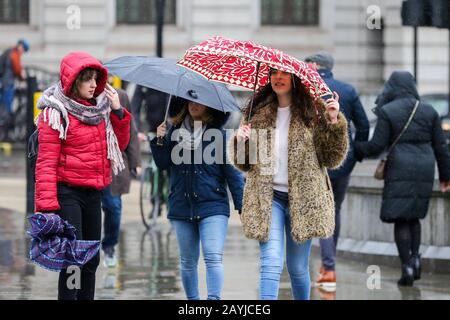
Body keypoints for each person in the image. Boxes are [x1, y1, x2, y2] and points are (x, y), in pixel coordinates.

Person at [230, 68, 349, 300]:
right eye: (274, 74)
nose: (279, 78)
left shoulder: (314, 112)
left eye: (284, 74)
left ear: (295, 80)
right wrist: (241, 141)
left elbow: (332, 159)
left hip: (303, 200)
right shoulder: (257, 113)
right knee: (271, 261)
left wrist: (333, 121)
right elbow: (244, 164)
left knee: (297, 268)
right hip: (268, 197)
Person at [34, 51, 131, 300]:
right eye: (86, 79)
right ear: (72, 81)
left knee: (91, 259)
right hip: (68, 194)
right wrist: (46, 207)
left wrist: (118, 112)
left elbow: (118, 144)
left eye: (94, 78)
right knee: (73, 259)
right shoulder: (55, 112)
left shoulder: (100, 110)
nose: (92, 84)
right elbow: (46, 162)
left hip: (93, 193)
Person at [354, 71, 450, 286]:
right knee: (414, 216)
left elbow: (376, 146)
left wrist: (356, 149)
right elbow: (441, 147)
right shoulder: (429, 111)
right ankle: (415, 259)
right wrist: (446, 176)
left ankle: (406, 264)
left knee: (400, 218)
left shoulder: (388, 111)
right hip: (425, 167)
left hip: (399, 167)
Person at [151, 98, 244, 300]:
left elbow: (232, 174)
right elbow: (162, 164)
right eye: (190, 101)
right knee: (187, 261)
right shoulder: (173, 133)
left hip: (213, 205)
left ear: (209, 106)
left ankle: (213, 300)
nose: (194, 105)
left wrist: (242, 206)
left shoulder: (218, 136)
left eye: (200, 102)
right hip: (181, 206)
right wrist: (159, 140)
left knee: (212, 256)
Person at [305, 52, 370, 289]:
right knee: (335, 210)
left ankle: (328, 267)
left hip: (315, 161)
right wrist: (356, 153)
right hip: (343, 160)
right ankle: (327, 265)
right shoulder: (348, 90)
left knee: (321, 211)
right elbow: (362, 126)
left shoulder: (306, 90)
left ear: (313, 65)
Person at [101, 76, 141, 268]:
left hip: (113, 165)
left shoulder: (121, 96)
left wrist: (135, 161)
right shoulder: (82, 99)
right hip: (89, 166)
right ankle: (87, 250)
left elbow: (130, 129)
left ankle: (109, 246)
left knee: (113, 208)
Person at [0, 39, 29, 114]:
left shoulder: (9, 51)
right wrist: (22, 77)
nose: (22, 52)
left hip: (4, 80)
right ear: (20, 46)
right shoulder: (15, 53)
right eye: (23, 49)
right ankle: (5, 120)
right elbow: (17, 68)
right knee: (7, 102)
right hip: (7, 81)